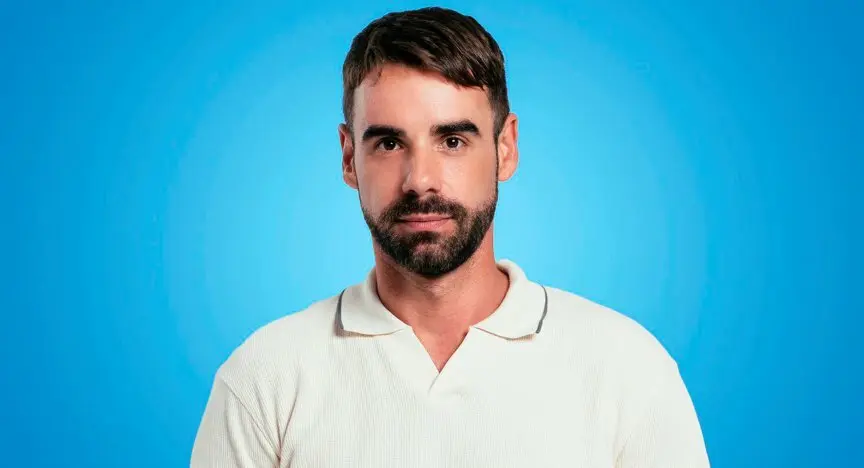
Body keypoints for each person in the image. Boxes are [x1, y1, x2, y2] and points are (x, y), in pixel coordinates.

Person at [191, 6, 710, 467]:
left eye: (453, 140)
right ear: (349, 157)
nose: (420, 180)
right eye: (389, 143)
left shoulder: (627, 369)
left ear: (505, 148)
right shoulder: (265, 378)